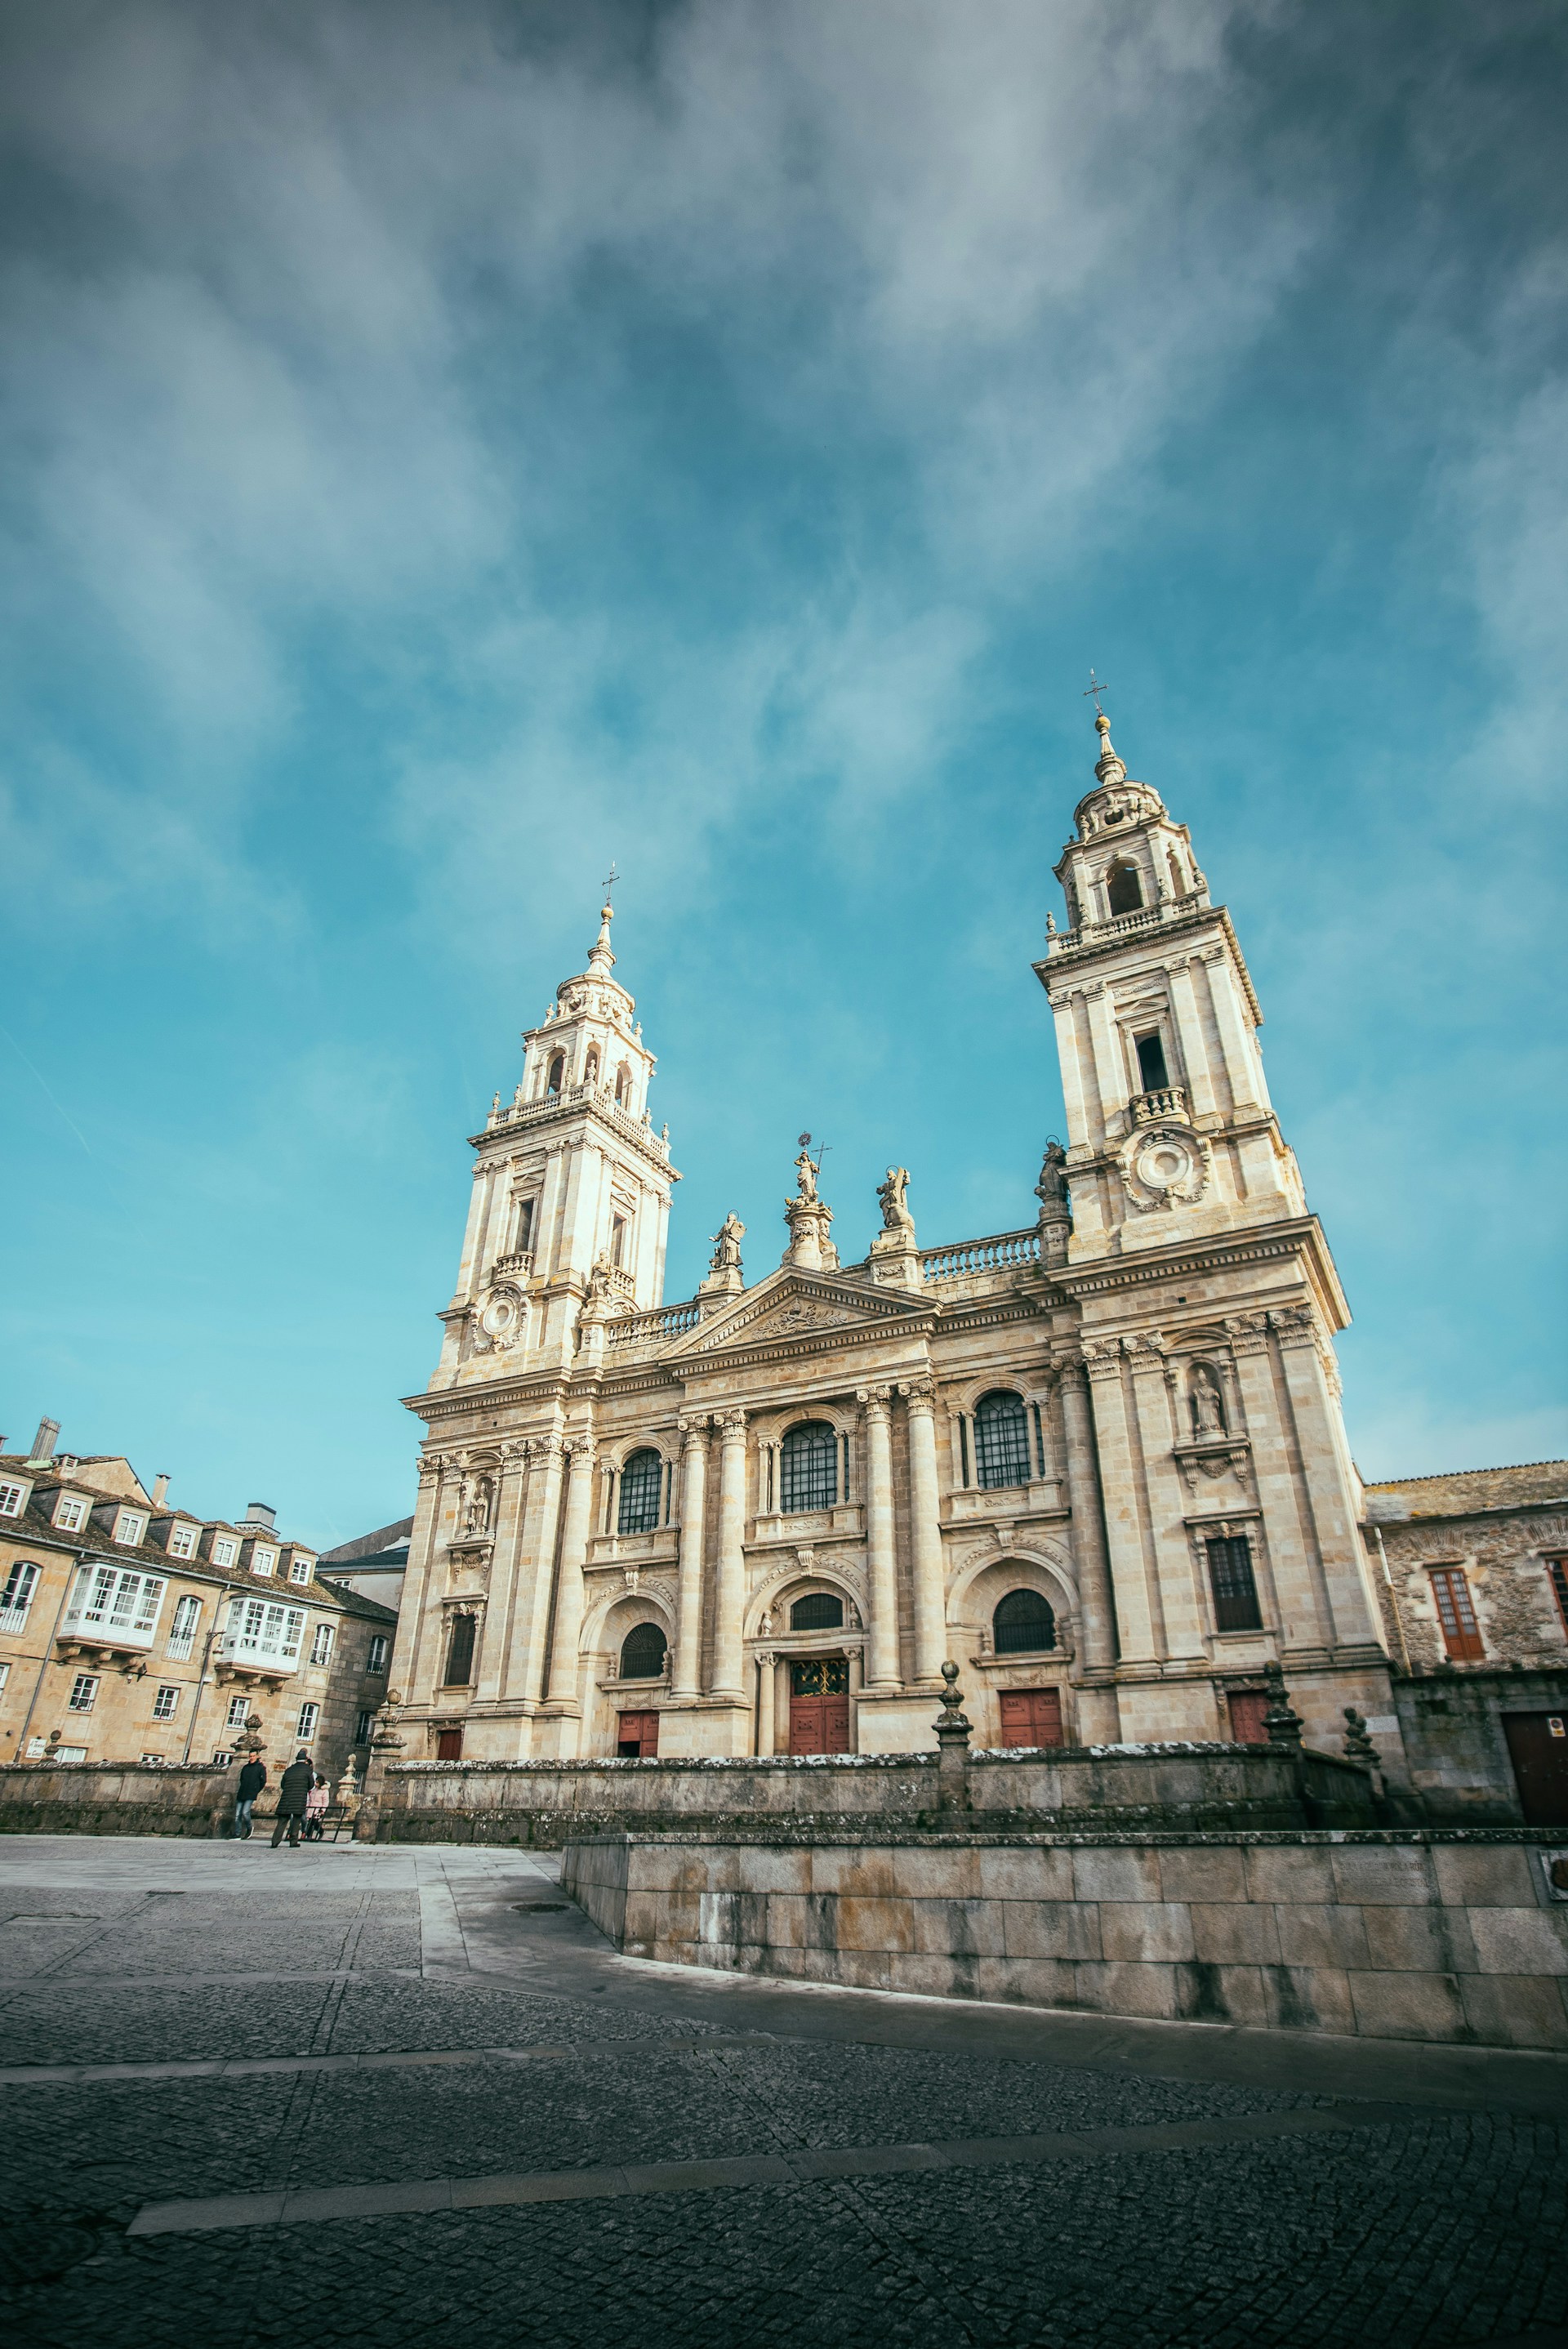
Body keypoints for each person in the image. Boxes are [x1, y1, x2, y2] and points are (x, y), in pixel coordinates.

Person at [270, 1749, 314, 1848]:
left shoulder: (289, 1769)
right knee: (296, 1819)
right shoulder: (307, 1769)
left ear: (297, 1759)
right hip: (299, 1797)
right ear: (305, 1759)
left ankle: (275, 1841)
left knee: (282, 1820)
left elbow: (282, 1784)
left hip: (286, 1797)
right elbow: (311, 1785)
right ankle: (293, 1841)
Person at [233, 1754, 266, 1839]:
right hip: (242, 1792)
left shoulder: (261, 1768)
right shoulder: (245, 1767)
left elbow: (263, 1781)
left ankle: (249, 1828)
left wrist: (256, 1790)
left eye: (253, 1756)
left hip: (251, 1793)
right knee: (237, 1815)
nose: (251, 1758)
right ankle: (237, 1833)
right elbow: (242, 1779)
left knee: (245, 1812)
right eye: (250, 1756)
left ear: (257, 1756)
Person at [303, 1772, 330, 1843]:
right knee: (310, 1823)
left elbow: (325, 1801)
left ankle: (320, 1831)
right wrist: (307, 1807)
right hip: (311, 1808)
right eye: (316, 1782)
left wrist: (323, 1810)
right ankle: (309, 1835)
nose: (316, 1784)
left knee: (314, 1822)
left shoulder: (324, 1791)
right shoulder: (314, 1790)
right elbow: (310, 1799)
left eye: (317, 1782)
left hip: (318, 1809)